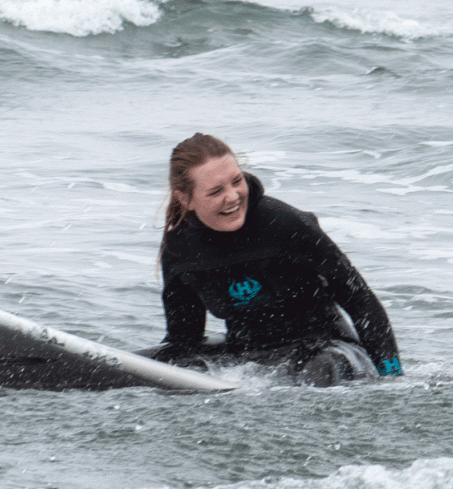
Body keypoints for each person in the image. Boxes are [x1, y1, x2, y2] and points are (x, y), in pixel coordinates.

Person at [150, 133, 403, 386]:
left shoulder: (283, 224)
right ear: (185, 199)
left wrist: (392, 378)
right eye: (216, 191)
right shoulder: (180, 249)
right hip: (249, 361)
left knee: (321, 368)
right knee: (179, 365)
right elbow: (184, 339)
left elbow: (362, 303)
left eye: (237, 181)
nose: (233, 196)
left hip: (329, 350)